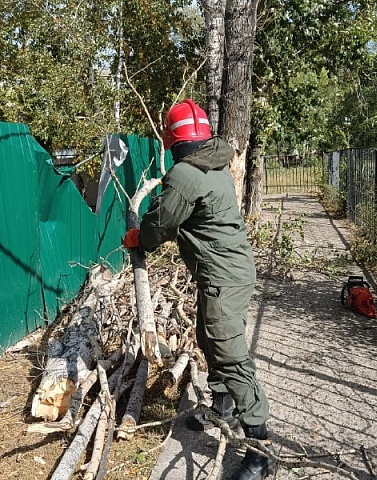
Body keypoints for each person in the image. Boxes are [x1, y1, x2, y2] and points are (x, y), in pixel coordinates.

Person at [123, 99, 273, 480]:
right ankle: (221, 409)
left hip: (223, 278)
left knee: (231, 356)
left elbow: (161, 228)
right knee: (210, 342)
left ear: (172, 140)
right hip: (227, 273)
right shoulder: (214, 163)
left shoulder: (186, 174)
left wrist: (138, 237)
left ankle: (260, 451)